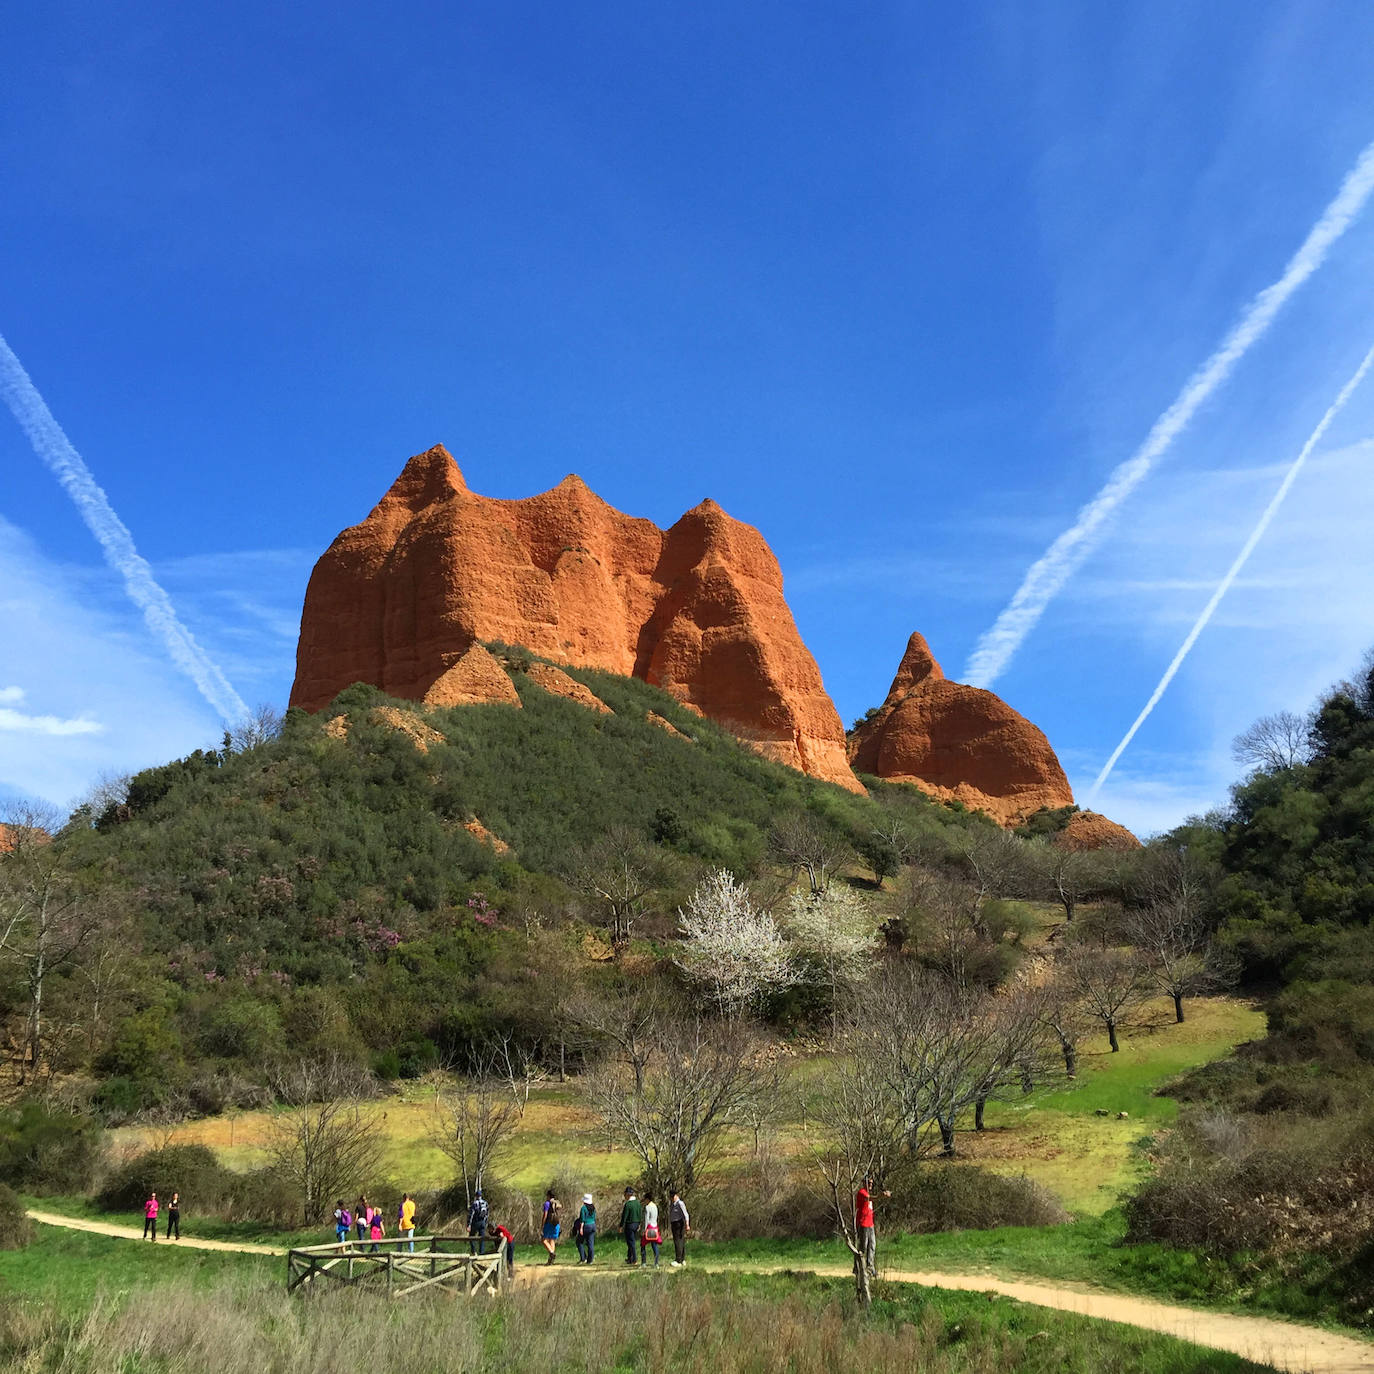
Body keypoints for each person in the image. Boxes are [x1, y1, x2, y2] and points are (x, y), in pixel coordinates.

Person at [855, 1174, 891, 1278]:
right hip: (863, 1224)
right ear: (864, 1183)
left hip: (870, 1224)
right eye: (868, 1182)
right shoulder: (862, 1193)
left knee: (872, 1246)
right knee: (863, 1247)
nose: (871, 1184)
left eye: (871, 1183)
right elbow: (871, 1198)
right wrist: (881, 1195)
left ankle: (870, 1269)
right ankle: (858, 1268)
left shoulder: (867, 1193)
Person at [619, 1187, 643, 1266]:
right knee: (631, 1241)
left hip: (630, 1224)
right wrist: (639, 1223)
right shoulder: (638, 1203)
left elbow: (624, 1216)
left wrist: (621, 1226)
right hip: (636, 1224)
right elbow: (640, 1214)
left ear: (628, 1195)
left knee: (631, 1242)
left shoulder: (628, 1204)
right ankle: (629, 1258)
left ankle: (634, 1259)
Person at [540, 1188, 562, 1265]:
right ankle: (551, 1260)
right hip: (556, 1223)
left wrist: (542, 1224)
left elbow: (545, 1214)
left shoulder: (547, 1203)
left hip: (549, 1223)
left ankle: (552, 1253)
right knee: (552, 1240)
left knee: (544, 1240)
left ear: (548, 1195)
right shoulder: (557, 1203)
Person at [668, 1189, 690, 1267]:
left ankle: (679, 1260)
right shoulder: (672, 1204)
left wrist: (687, 1224)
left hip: (679, 1223)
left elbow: (686, 1214)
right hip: (674, 1223)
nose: (671, 1198)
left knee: (678, 1241)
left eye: (673, 1196)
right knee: (679, 1241)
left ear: (676, 1195)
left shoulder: (680, 1203)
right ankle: (682, 1259)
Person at [575, 1194, 597, 1265]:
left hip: (586, 1226)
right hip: (593, 1225)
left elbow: (582, 1219)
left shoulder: (583, 1208)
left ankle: (583, 1258)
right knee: (590, 1244)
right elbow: (594, 1217)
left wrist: (581, 1228)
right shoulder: (593, 1207)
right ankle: (590, 1260)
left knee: (579, 1242)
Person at [640, 1192, 660, 1267]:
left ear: (647, 1199)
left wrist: (644, 1230)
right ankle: (656, 1263)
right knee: (654, 1245)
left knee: (643, 1244)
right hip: (655, 1227)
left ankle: (643, 1262)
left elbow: (646, 1219)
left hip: (649, 1227)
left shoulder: (647, 1207)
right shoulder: (655, 1206)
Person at [467, 1190, 489, 1254]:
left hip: (476, 1222)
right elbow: (487, 1214)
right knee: (482, 1238)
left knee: (471, 1236)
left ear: (476, 1196)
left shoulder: (475, 1203)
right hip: (483, 1222)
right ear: (481, 1196)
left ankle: (474, 1251)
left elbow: (471, 1215)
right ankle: (481, 1252)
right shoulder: (485, 1203)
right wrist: (485, 1222)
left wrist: (469, 1225)